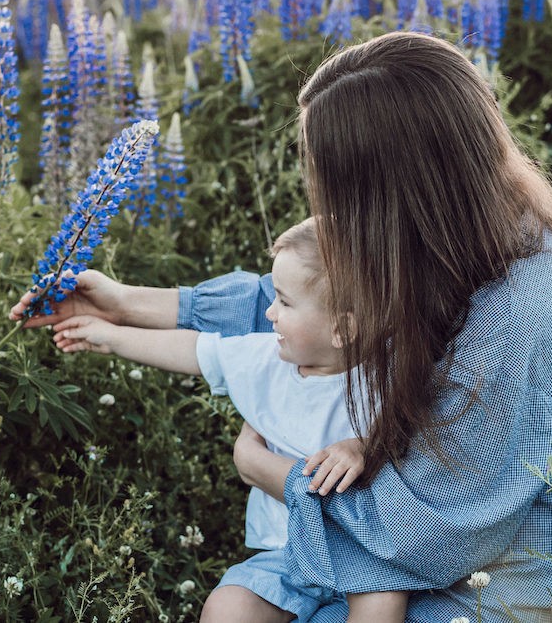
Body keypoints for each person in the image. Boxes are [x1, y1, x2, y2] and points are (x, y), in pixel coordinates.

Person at [11, 31, 552, 622]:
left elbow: (432, 530)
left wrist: (271, 472)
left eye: (335, 184)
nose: (324, 201)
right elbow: (312, 302)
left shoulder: (528, 311)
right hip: (410, 517)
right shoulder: (458, 232)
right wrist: (122, 303)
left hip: (509, 556)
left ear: (397, 189)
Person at [39, 218, 408, 623]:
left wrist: (362, 446)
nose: (269, 311)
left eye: (284, 302)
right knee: (227, 607)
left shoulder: (386, 374)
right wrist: (109, 336)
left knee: (383, 603)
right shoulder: (267, 359)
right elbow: (194, 350)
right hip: (287, 553)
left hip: (365, 553)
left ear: (342, 329)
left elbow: (414, 431)